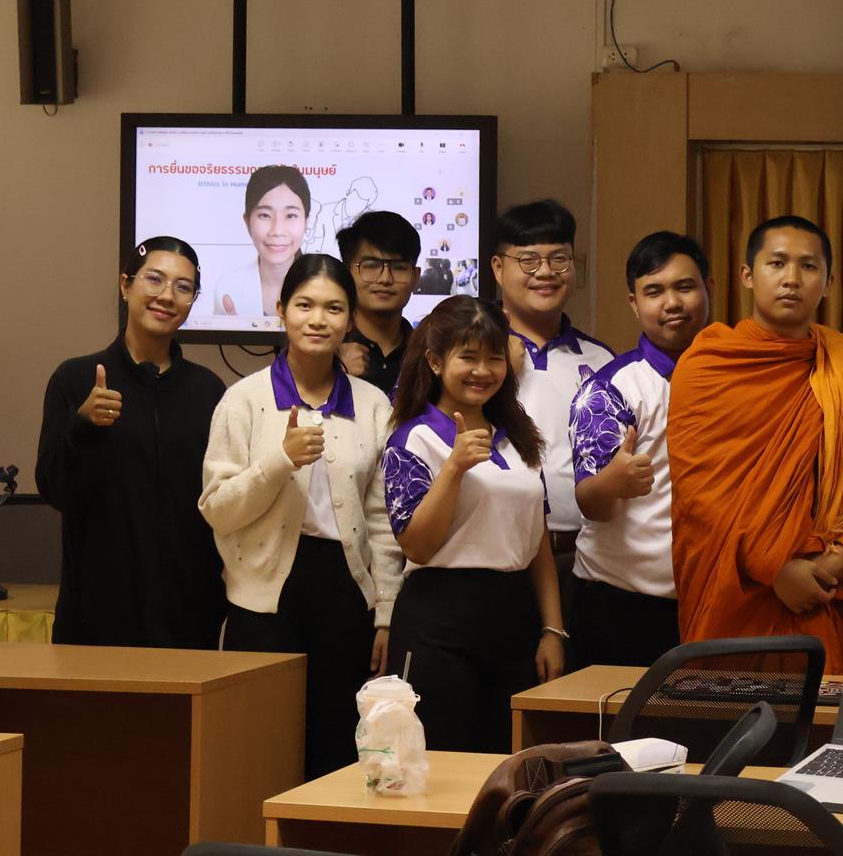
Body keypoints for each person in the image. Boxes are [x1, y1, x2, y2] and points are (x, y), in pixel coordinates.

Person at [200, 254, 401, 779]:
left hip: (345, 590)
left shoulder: (373, 404)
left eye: (334, 308)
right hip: (264, 596)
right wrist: (280, 460)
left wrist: (385, 611)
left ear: (350, 319)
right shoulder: (243, 401)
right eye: (305, 305)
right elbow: (218, 510)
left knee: (338, 747)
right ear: (280, 309)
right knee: (260, 746)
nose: (318, 320)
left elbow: (381, 520)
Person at [667, 216, 843, 672]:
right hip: (734, 588)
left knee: (818, 712)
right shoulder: (707, 366)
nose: (792, 278)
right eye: (777, 263)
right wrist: (776, 568)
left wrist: (841, 558)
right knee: (731, 713)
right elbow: (699, 493)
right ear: (748, 275)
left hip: (818, 587)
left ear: (829, 283)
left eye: (808, 266)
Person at [382, 297, 563, 751]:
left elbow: (538, 541)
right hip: (439, 619)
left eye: (494, 358)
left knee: (510, 759)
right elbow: (417, 546)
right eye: (468, 356)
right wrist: (453, 469)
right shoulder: (413, 438)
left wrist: (553, 630)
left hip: (514, 616)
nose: (483, 370)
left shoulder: (520, 438)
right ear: (436, 361)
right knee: (442, 761)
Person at [36, 237, 226, 648]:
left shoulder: (208, 390)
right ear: (125, 285)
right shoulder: (76, 378)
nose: (167, 296)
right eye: (154, 279)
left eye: (183, 287)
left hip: (189, 616)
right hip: (95, 615)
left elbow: (220, 500)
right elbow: (54, 490)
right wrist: (83, 425)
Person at [567, 232, 714, 666]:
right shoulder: (610, 388)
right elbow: (591, 503)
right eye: (654, 291)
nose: (672, 303)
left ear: (709, 288)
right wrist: (613, 482)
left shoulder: (737, 379)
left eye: (684, 287)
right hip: (621, 605)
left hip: (713, 599)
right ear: (634, 303)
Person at [489, 199, 614, 627]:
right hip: (494, 556)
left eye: (559, 258)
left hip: (584, 557)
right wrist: (500, 369)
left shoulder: (602, 362)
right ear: (498, 268)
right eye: (528, 260)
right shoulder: (467, 356)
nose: (545, 272)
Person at [337, 210, 421, 396]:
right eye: (371, 266)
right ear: (347, 273)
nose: (385, 279)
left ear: (415, 277)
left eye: (399, 267)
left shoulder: (429, 353)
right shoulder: (326, 351)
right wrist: (332, 373)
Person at [213, 165, 310, 318]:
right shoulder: (228, 288)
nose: (277, 230)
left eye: (290, 215)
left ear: (306, 222)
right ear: (247, 222)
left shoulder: (325, 286)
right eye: (265, 215)